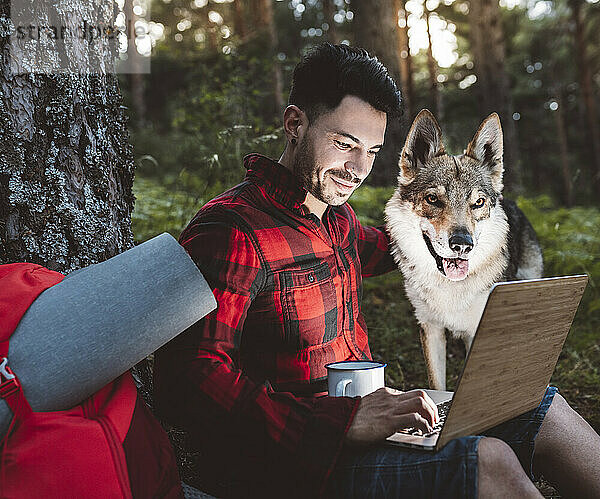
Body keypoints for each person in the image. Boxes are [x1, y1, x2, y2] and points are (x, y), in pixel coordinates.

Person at [154, 43, 600, 498]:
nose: (358, 169)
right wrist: (341, 423)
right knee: (490, 462)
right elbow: (188, 381)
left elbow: (401, 240)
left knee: (542, 408)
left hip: (364, 424)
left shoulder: (334, 218)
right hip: (294, 463)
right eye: (345, 144)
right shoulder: (233, 229)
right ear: (294, 124)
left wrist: (465, 219)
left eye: (372, 150)